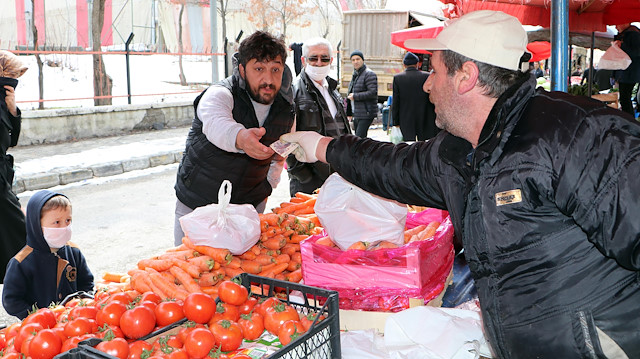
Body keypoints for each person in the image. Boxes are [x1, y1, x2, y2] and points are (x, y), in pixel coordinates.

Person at [282, 10, 640, 358]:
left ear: (465, 76)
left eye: (434, 71)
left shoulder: (579, 136)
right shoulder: (460, 150)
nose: (426, 84)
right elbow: (393, 166)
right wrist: (321, 146)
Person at [173, 31, 294, 246]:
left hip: (249, 204)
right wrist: (240, 138)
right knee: (190, 267)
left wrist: (270, 183)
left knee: (242, 271)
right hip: (198, 201)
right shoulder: (220, 94)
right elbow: (216, 124)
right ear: (242, 69)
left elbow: (283, 148)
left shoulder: (287, 109)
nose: (268, 79)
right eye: (259, 69)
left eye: (275, 69)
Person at [2, 190, 94, 319]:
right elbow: (11, 300)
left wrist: (83, 302)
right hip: (40, 328)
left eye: (68, 220)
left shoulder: (74, 251)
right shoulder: (21, 262)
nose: (64, 227)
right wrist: (35, 316)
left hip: (75, 320)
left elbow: (87, 282)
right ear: (37, 225)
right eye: (57, 222)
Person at [287, 37, 350, 196]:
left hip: (339, 176)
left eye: (324, 58)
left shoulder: (333, 90)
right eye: (313, 58)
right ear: (303, 60)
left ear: (331, 60)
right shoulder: (292, 92)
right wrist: (306, 178)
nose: (319, 63)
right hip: (309, 184)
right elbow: (285, 142)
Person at [0, 50, 28, 284]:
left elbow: (12, 140)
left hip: (2, 180)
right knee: (24, 237)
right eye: (10, 74)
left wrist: (12, 110)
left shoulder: (3, 99)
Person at [391, 52, 437, 141]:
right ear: (417, 64)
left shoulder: (398, 78)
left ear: (404, 65)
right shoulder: (426, 76)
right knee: (424, 146)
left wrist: (395, 122)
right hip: (425, 117)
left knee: (409, 146)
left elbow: (396, 102)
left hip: (406, 118)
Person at [346, 50, 378, 138]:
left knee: (359, 138)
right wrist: (349, 112)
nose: (355, 62)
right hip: (357, 112)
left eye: (357, 59)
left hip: (366, 112)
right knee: (360, 139)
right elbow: (350, 92)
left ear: (362, 60)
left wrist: (355, 96)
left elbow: (372, 92)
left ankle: (363, 152)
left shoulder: (369, 74)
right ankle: (363, 151)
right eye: (353, 60)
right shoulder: (355, 74)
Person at [613, 23, 640, 116]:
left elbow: (637, 52)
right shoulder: (625, 35)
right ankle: (629, 122)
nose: (616, 26)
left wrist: (622, 46)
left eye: (617, 24)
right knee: (625, 99)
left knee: (625, 100)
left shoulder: (634, 34)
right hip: (625, 74)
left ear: (626, 23)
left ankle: (629, 123)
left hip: (629, 74)